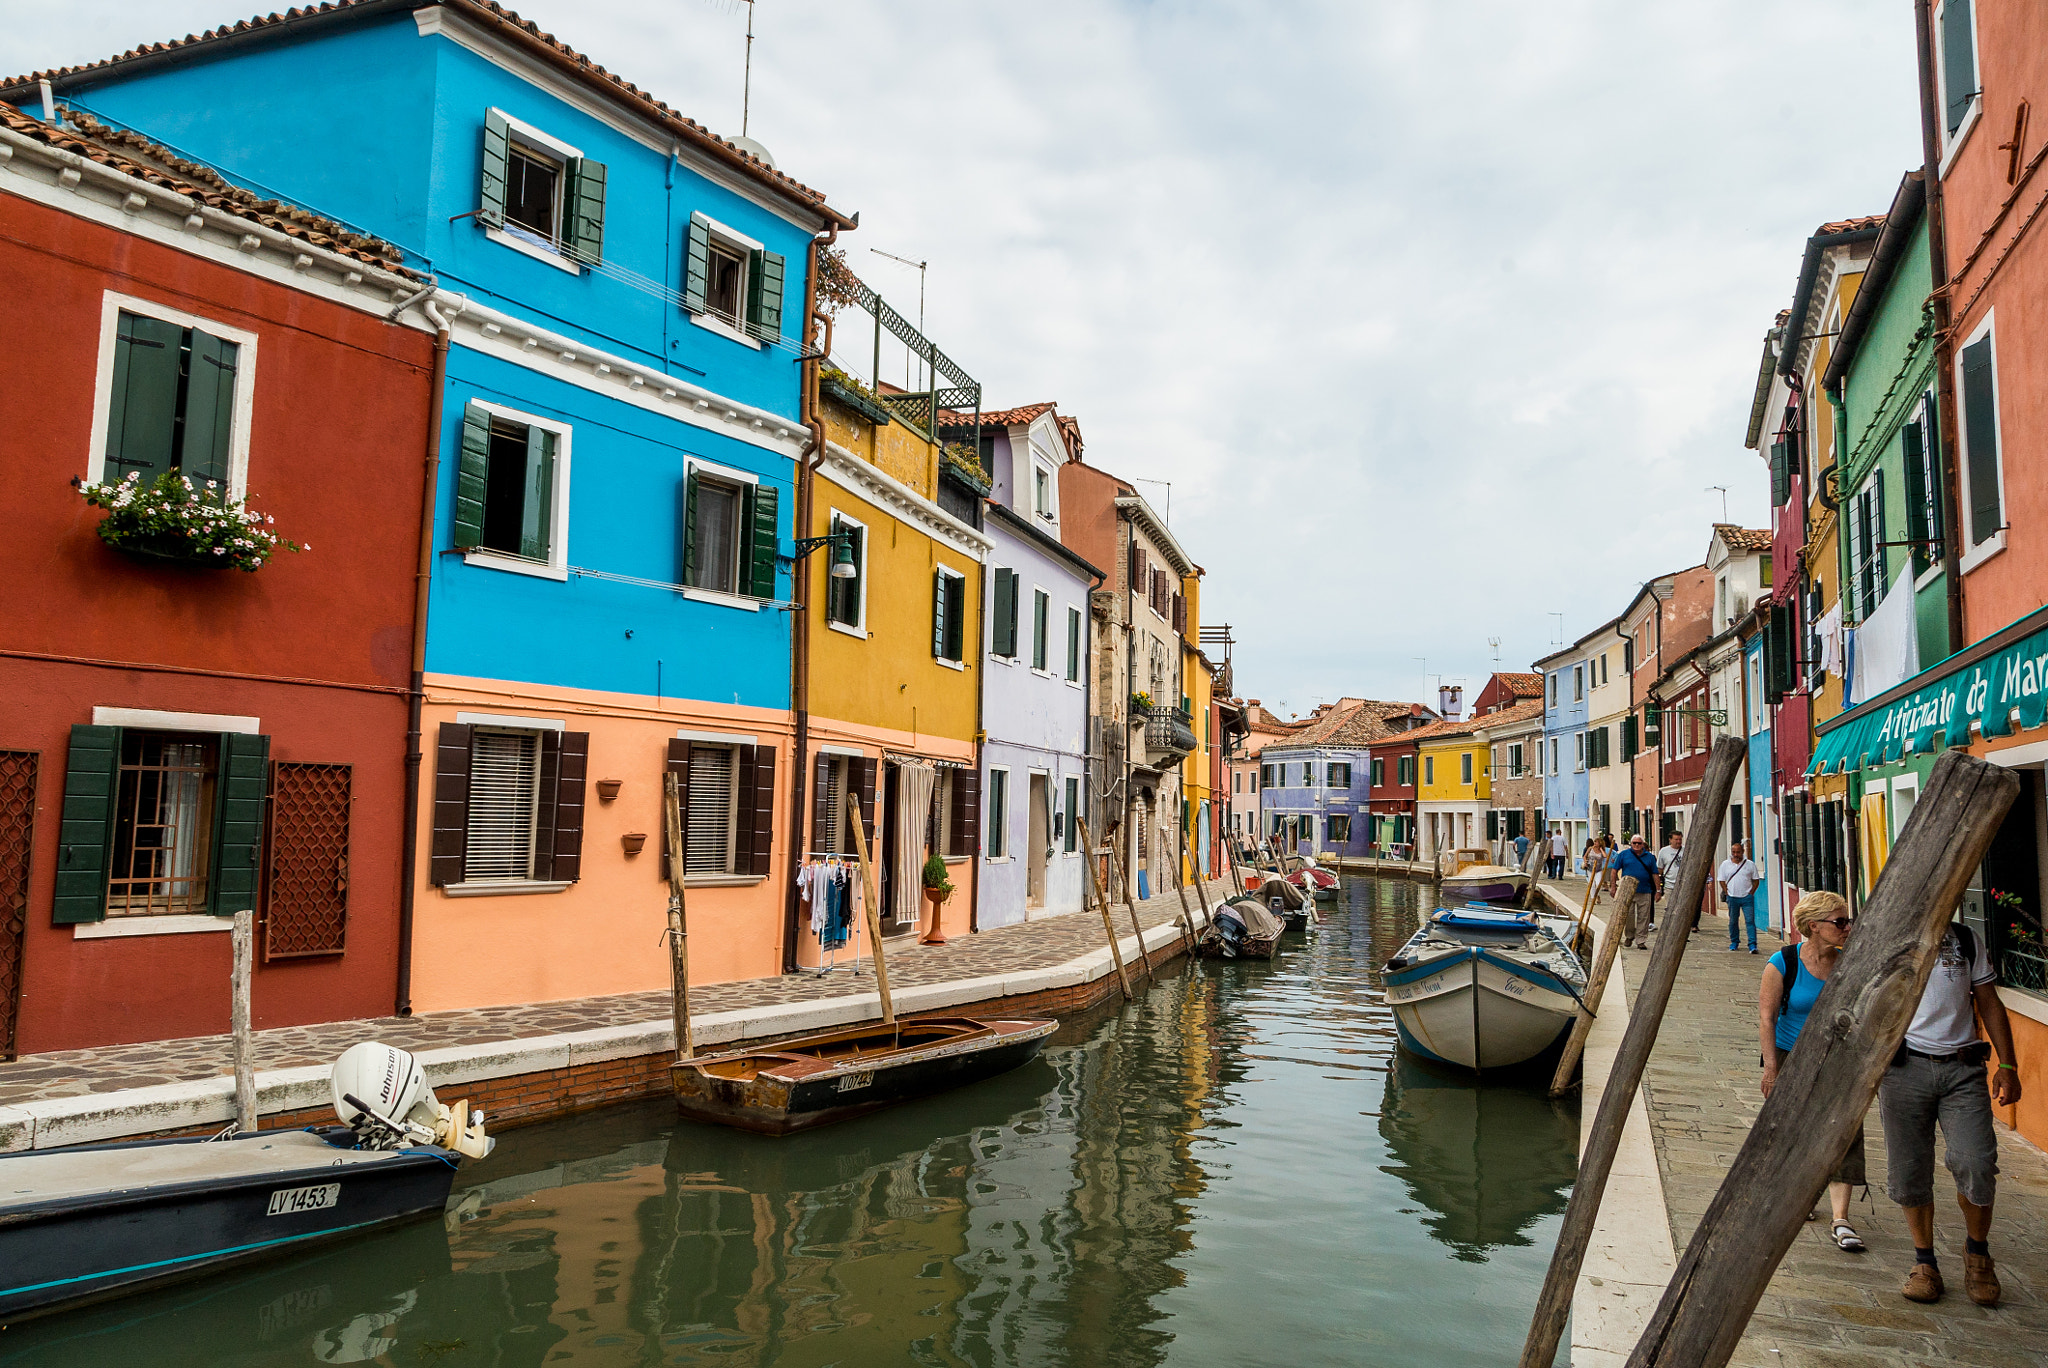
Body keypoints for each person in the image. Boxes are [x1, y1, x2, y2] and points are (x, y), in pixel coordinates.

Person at [1879, 916, 2022, 1307]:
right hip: (1903, 1070)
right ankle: (1924, 1261)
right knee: (1909, 1169)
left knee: (1975, 1161)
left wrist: (2008, 1066)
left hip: (1963, 1068)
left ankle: (1978, 1254)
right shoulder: (1889, 935)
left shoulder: (1965, 939)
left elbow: (1989, 1002)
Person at [1759, 892, 1866, 1253]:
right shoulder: (1782, 962)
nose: (1846, 927)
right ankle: (1796, 1197)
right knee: (1792, 1130)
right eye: (1839, 922)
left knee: (1845, 1134)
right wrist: (1772, 1068)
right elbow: (1767, 1017)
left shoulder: (1849, 962)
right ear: (1813, 927)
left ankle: (1841, 1218)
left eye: (1847, 920)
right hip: (1792, 1057)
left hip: (1839, 1060)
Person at [1611, 833, 1662, 949]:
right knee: (1628, 916)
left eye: (1639, 843)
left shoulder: (1649, 857)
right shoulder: (1624, 855)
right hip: (1627, 891)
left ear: (1643, 844)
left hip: (1645, 890)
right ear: (1631, 844)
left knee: (1644, 917)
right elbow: (1614, 871)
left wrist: (1658, 890)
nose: (1637, 845)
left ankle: (1641, 940)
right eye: (1634, 843)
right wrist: (1613, 887)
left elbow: (1655, 874)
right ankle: (1629, 936)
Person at [1719, 841, 1761, 953]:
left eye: (1738, 852)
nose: (1736, 854)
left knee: (1750, 921)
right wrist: (1726, 891)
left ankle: (1752, 945)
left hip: (1746, 897)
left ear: (1742, 852)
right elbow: (1721, 880)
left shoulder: (1750, 864)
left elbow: (1756, 880)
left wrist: (1751, 892)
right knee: (1733, 921)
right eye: (1734, 852)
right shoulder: (1725, 864)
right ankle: (1734, 942)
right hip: (1732, 897)